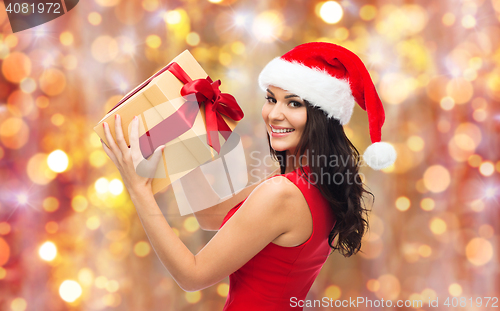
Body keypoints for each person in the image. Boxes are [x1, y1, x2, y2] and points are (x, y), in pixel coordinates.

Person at [101, 42, 396, 310]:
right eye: (271, 99)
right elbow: (211, 215)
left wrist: (138, 189)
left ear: (322, 115)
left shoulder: (283, 194)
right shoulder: (310, 183)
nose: (274, 114)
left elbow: (192, 276)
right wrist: (185, 129)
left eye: (294, 103)